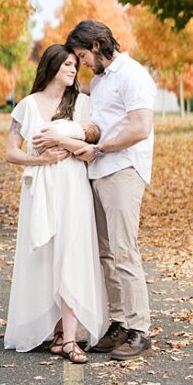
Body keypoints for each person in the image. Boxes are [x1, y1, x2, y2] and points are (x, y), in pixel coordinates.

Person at [34, 19, 157, 360]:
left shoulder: (133, 75)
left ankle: (139, 330)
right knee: (105, 253)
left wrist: (100, 149)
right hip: (98, 170)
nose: (82, 63)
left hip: (123, 169)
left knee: (123, 250)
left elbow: (140, 128)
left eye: (83, 55)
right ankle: (119, 323)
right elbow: (100, 126)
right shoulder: (101, 81)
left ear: (99, 44)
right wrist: (69, 137)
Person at [3, 44, 107, 364]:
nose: (73, 70)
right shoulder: (27, 106)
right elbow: (11, 152)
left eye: (75, 65)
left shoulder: (83, 104)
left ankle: (72, 339)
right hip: (41, 191)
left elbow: (92, 140)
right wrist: (40, 160)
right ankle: (58, 332)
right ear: (51, 67)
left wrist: (63, 142)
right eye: (66, 65)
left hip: (74, 187)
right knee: (48, 259)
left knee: (72, 256)